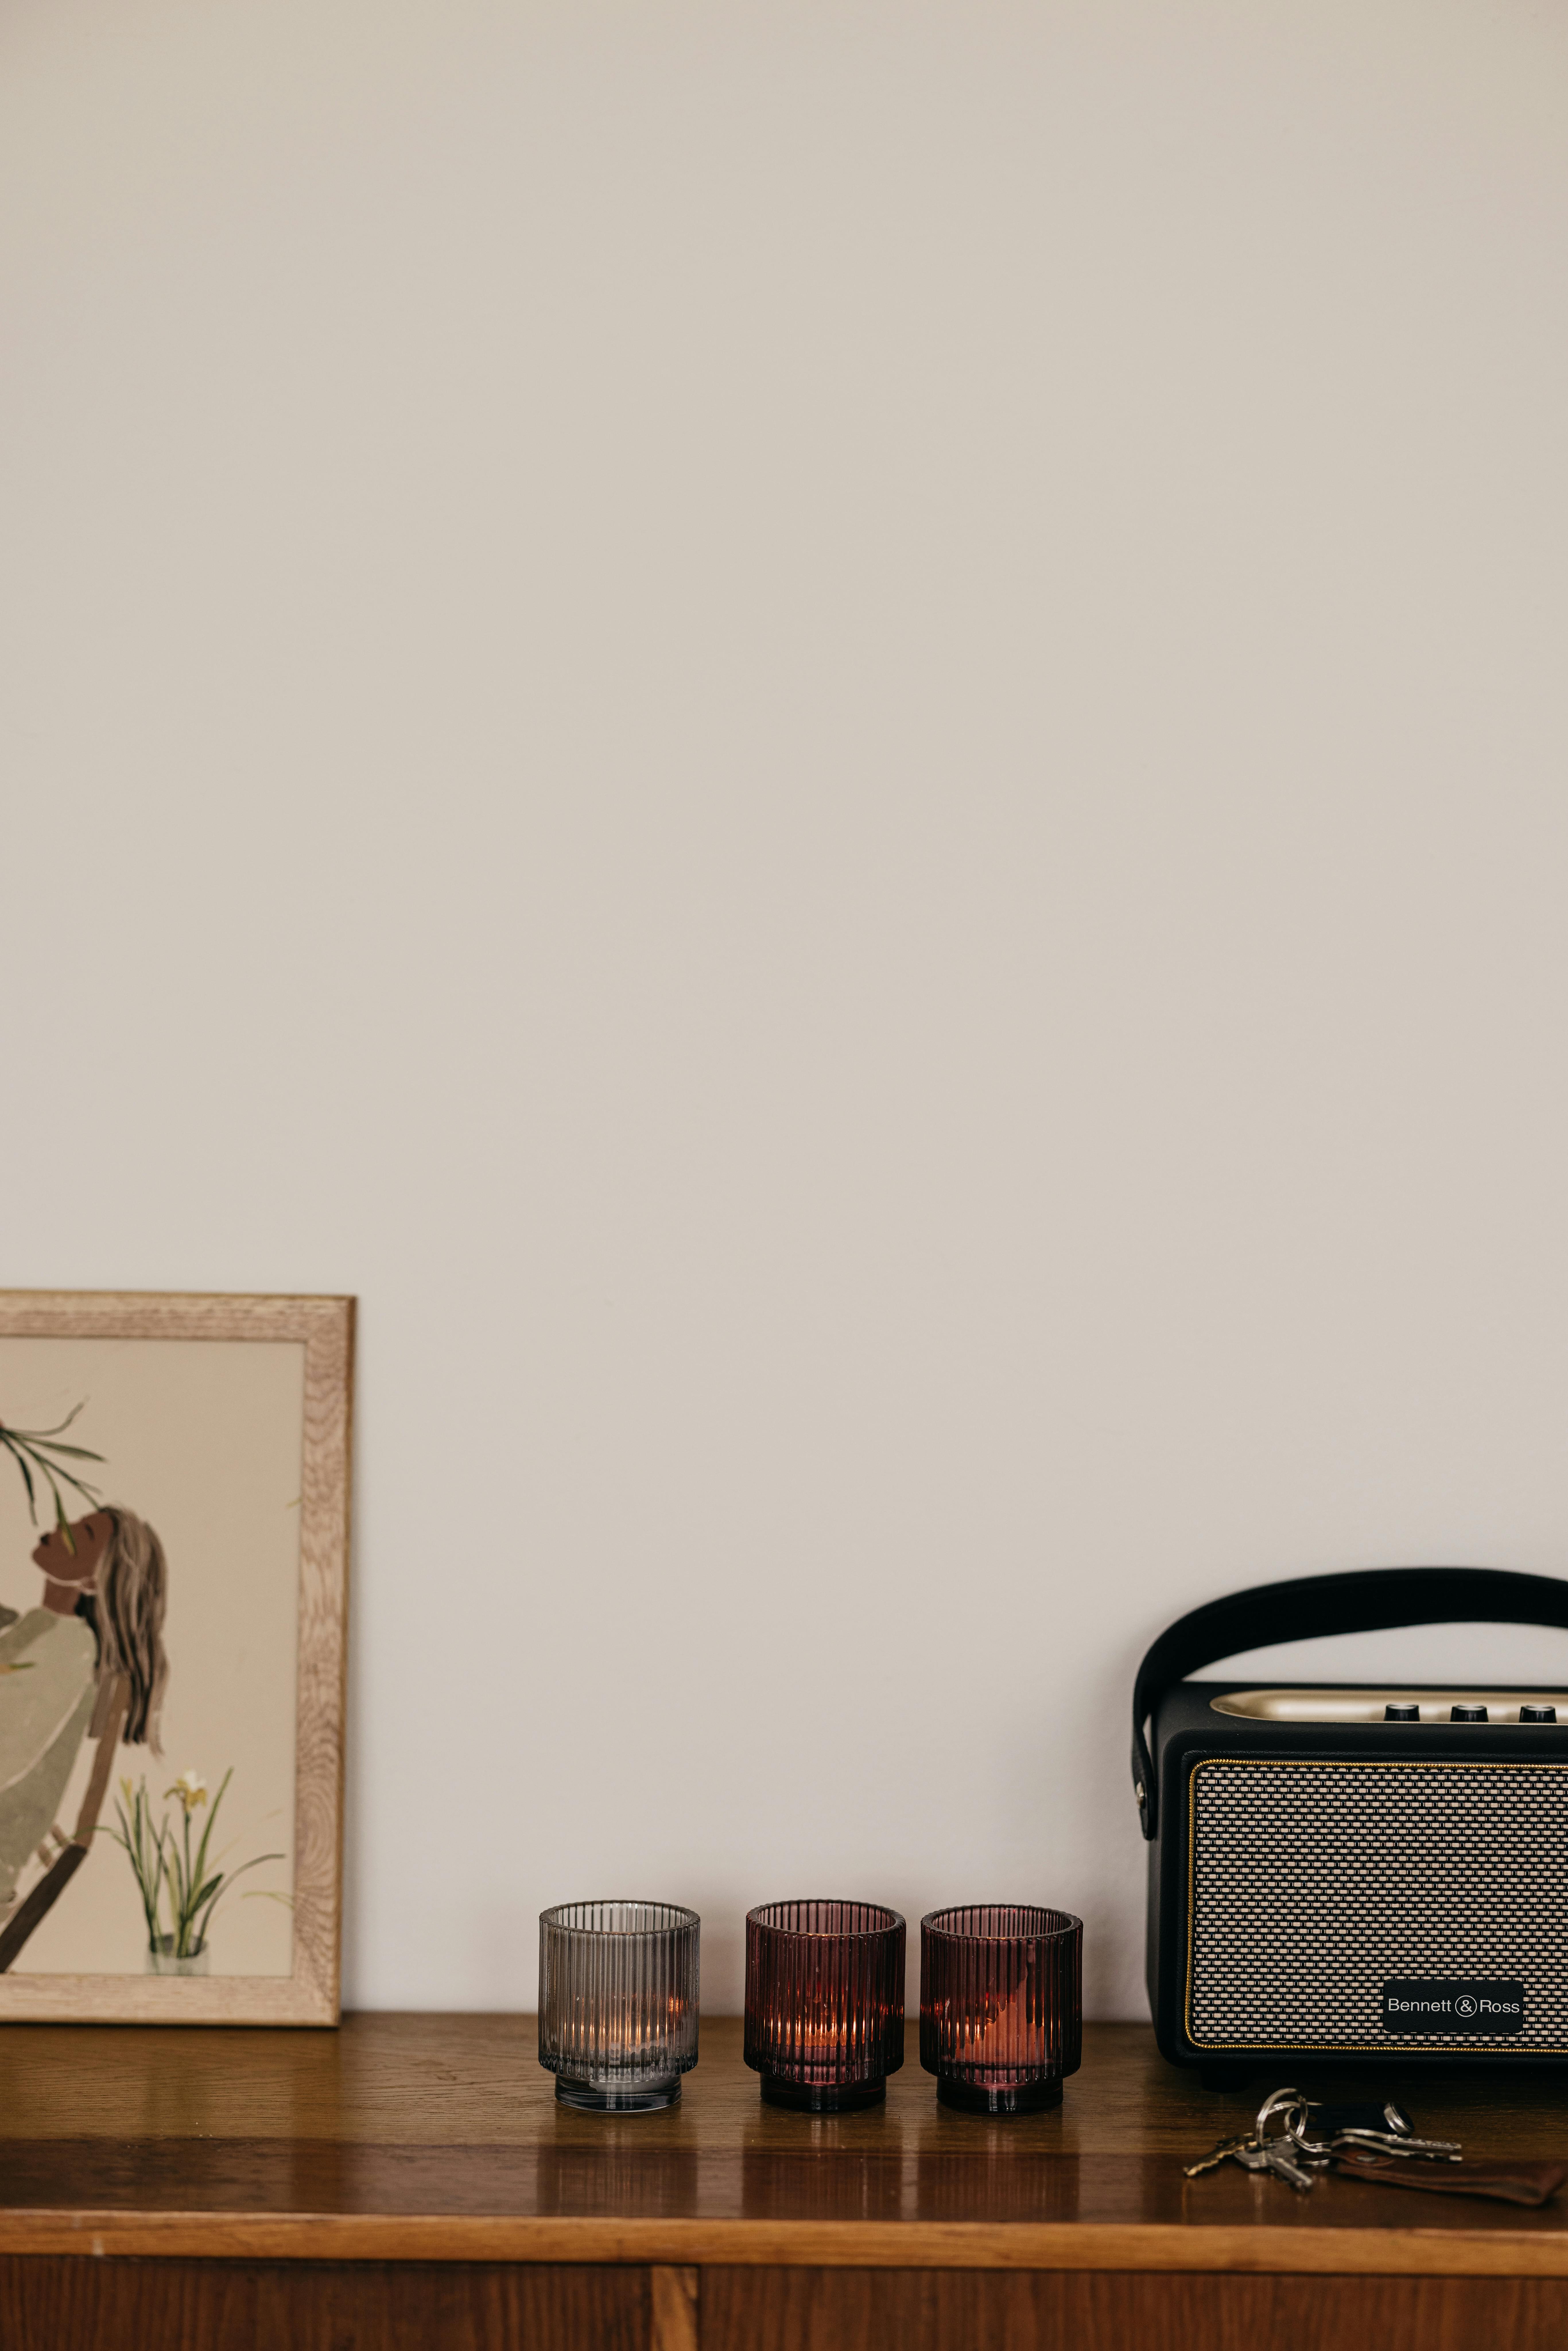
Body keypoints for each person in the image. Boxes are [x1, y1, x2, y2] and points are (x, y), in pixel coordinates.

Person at [0, 1508, 168, 1922]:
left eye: (85, 1533)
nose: (63, 1527)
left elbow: (6, 1756)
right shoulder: (43, 1628)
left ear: (95, 1580)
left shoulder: (69, 1650)